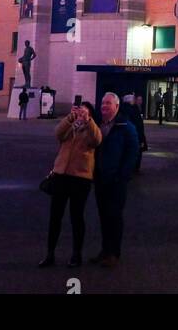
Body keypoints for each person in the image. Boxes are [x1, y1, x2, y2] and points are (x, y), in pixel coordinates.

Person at [41, 100, 101, 268]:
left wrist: (88, 121)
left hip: (80, 179)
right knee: (55, 217)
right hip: (61, 176)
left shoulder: (91, 130)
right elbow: (57, 134)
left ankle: (76, 254)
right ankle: (50, 253)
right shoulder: (70, 127)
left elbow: (97, 140)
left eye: (84, 112)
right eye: (79, 111)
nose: (81, 114)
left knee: (77, 217)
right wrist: (70, 118)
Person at [93, 92, 140, 267]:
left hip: (116, 181)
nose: (104, 106)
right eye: (103, 103)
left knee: (114, 217)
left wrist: (122, 176)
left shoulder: (126, 126)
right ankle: (105, 250)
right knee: (103, 217)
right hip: (100, 179)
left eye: (108, 103)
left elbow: (132, 153)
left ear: (117, 106)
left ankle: (114, 253)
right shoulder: (97, 125)